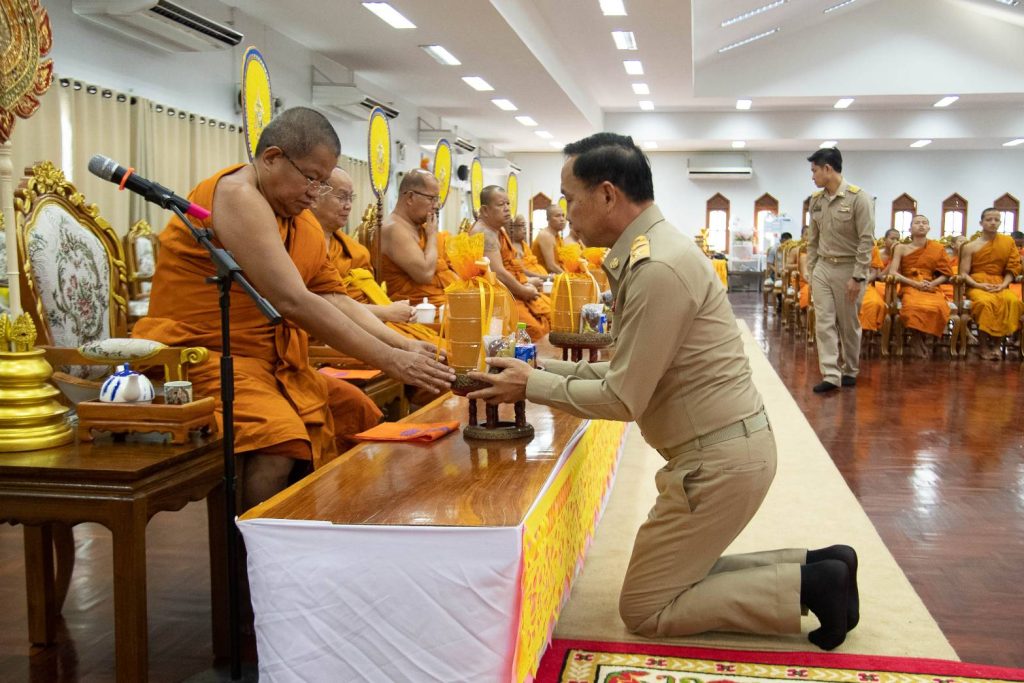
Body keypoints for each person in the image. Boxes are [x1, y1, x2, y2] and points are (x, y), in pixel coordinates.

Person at [468, 132, 858, 651]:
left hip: (718, 465)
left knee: (646, 608)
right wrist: (539, 368)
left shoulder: (657, 268)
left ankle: (813, 586)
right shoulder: (650, 253)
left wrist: (533, 384)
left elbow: (623, 400)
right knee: (675, 579)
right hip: (722, 452)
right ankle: (819, 567)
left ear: (607, 194)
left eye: (570, 198)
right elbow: (622, 374)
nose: (566, 212)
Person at [133, 108, 455, 511]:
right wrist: (390, 359)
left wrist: (403, 348)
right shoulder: (238, 196)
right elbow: (292, 301)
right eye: (312, 179)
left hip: (275, 363)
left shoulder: (297, 220)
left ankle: (328, 527)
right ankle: (260, 563)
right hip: (205, 358)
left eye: (323, 183)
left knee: (356, 409)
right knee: (280, 440)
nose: (315, 193)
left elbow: (333, 296)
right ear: (271, 158)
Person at [311, 167, 437, 343]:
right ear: (315, 197)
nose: (348, 205)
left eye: (351, 198)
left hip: (370, 320)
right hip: (341, 333)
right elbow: (323, 305)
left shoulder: (346, 244)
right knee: (433, 353)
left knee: (437, 346)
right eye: (341, 197)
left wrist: (388, 309)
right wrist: (386, 312)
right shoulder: (305, 243)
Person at [805, 147, 874, 393]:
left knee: (848, 324)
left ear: (828, 169)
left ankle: (850, 369)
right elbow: (812, 240)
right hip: (823, 267)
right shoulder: (815, 200)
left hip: (849, 269)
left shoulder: (859, 198)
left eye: (814, 171)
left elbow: (866, 241)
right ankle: (831, 374)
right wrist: (811, 270)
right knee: (823, 322)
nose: (812, 176)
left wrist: (858, 276)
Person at [470, 185, 552, 340]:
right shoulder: (484, 232)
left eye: (508, 204)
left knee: (550, 314)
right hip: (498, 297)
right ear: (485, 210)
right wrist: (523, 290)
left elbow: (511, 266)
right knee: (533, 330)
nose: (507, 209)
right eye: (501, 205)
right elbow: (497, 274)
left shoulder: (497, 230)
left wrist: (526, 282)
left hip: (513, 290)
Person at [380, 169, 459, 307]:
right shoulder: (394, 229)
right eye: (431, 198)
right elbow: (425, 274)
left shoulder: (420, 227)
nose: (436, 205)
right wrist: (432, 235)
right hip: (415, 311)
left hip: (439, 301)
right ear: (410, 197)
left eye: (437, 199)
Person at [960, 208, 1024, 360]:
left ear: (1000, 222)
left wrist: (1004, 284)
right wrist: (979, 285)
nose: (993, 223)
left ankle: (996, 346)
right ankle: (983, 346)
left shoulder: (1008, 242)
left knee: (1012, 301)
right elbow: (963, 273)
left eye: (996, 220)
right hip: (977, 285)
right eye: (989, 219)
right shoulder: (970, 246)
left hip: (999, 283)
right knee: (985, 303)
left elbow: (1013, 267)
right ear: (981, 222)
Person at [889, 216, 953, 358]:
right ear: (910, 229)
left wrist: (933, 284)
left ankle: (918, 339)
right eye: (917, 223)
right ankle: (916, 340)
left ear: (929, 228)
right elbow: (893, 272)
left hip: (930, 285)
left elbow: (946, 274)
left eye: (925, 223)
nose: (921, 225)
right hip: (910, 285)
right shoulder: (901, 248)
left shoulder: (937, 248)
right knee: (913, 306)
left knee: (938, 306)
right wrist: (915, 284)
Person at [857, 229, 899, 336]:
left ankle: (866, 333)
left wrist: (863, 281)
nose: (895, 241)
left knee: (875, 303)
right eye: (892, 238)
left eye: (897, 239)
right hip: (844, 283)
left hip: (868, 283)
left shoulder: (872, 248)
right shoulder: (842, 244)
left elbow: (874, 274)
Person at [509, 213, 548, 278]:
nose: (524, 229)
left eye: (525, 226)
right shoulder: (511, 247)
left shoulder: (524, 244)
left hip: (540, 277)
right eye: (521, 225)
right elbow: (522, 271)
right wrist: (545, 277)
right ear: (512, 228)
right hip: (531, 280)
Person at [532, 204, 566, 274]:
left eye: (563, 215)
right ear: (548, 219)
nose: (562, 219)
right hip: (543, 278)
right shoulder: (546, 236)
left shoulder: (556, 236)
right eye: (557, 216)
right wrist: (568, 277)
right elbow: (551, 266)